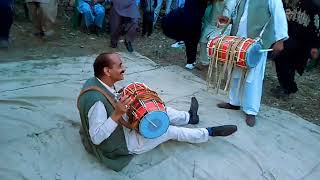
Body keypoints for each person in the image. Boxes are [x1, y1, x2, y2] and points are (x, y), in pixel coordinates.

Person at [77, 53, 238, 171]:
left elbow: (110, 103)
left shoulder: (98, 81)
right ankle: (208, 133)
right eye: (119, 66)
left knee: (156, 110)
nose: (124, 68)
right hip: (121, 144)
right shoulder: (97, 101)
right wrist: (117, 114)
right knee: (168, 130)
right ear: (107, 71)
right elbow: (96, 138)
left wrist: (123, 104)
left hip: (119, 125)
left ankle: (189, 117)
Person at [216, 0, 288, 127]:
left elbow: (279, 15)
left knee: (253, 77)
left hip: (257, 42)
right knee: (235, 72)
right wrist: (228, 20)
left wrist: (280, 39)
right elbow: (240, 14)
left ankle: (251, 111)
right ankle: (234, 102)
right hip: (238, 40)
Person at [271, 0, 320, 97]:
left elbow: (317, 26)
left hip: (303, 41)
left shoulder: (313, 5)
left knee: (290, 63)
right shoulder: (286, 2)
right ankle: (285, 86)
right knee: (281, 60)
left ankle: (288, 88)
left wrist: (315, 46)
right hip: (287, 37)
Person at [162, 0, 208, 70]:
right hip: (189, 14)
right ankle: (190, 60)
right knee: (190, 38)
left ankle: (191, 61)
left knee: (191, 39)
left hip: (193, 16)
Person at [196, 0, 233, 70]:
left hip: (220, 25)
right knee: (202, 41)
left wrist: (223, 21)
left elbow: (228, 10)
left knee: (214, 44)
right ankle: (205, 62)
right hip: (210, 22)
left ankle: (215, 63)